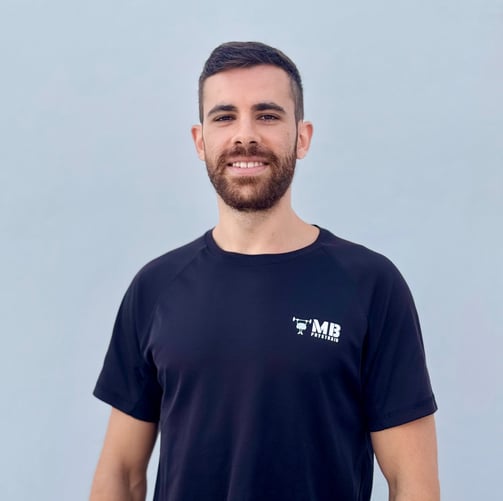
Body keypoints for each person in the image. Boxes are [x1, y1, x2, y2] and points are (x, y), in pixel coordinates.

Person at [90, 41, 439, 501]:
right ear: (200, 141)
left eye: (268, 115)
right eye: (224, 117)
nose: (245, 135)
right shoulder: (155, 288)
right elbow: (120, 474)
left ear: (302, 137)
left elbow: (413, 484)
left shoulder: (371, 285)